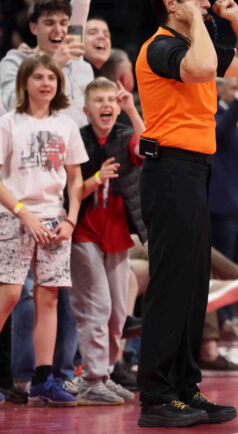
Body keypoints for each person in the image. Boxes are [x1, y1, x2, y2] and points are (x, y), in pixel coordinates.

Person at [135, 0, 238, 428]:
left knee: (193, 289)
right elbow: (204, 69)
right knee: (171, 285)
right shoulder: (161, 47)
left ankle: (185, 388)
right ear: (171, 3)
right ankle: (155, 396)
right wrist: (195, 22)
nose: (206, 3)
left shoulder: (196, 42)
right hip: (168, 171)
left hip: (194, 172)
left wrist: (236, 20)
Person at [0, 53, 87, 405]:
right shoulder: (9, 122)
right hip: (16, 216)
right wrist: (23, 213)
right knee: (8, 296)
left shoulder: (66, 125)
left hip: (55, 221)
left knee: (48, 299)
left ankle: (42, 379)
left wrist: (70, 219)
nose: (46, 83)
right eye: (38, 77)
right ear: (25, 82)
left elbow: (77, 179)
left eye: (51, 78)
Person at [69, 77, 146, 405]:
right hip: (83, 233)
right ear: (86, 109)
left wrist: (131, 107)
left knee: (118, 313)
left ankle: (108, 371)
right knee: (97, 307)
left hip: (117, 235)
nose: (106, 105)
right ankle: (92, 379)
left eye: (111, 100)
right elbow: (70, 191)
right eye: (98, 100)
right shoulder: (78, 140)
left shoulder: (125, 136)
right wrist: (95, 178)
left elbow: (149, 146)